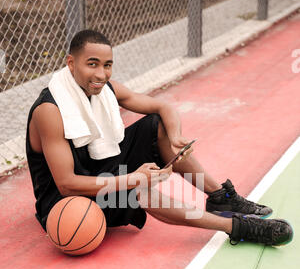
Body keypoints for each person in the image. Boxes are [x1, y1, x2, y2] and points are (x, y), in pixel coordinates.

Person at [26, 29, 293, 246]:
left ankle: (219, 196)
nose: (101, 74)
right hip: (66, 203)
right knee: (138, 190)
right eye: (91, 64)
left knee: (157, 125)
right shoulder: (50, 111)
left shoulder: (107, 89)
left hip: (98, 172)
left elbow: (163, 108)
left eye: (107, 65)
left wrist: (175, 139)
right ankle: (235, 227)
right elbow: (66, 184)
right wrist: (134, 178)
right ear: (71, 63)